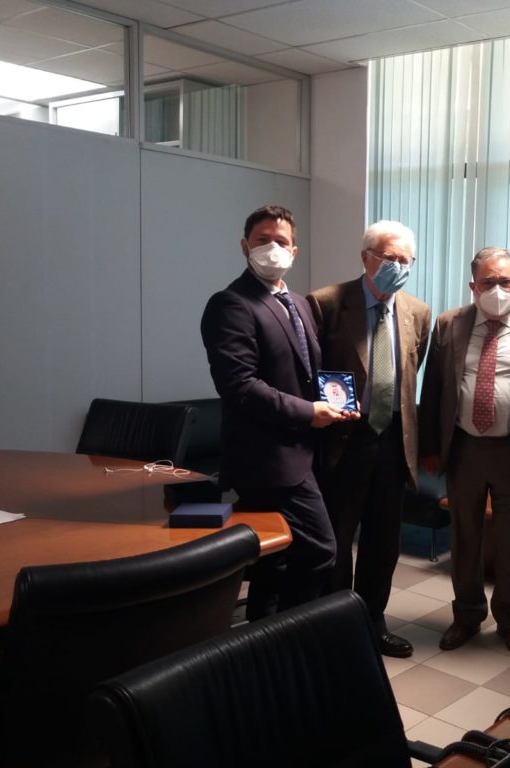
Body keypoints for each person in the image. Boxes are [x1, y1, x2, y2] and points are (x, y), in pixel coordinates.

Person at [201, 205, 356, 619]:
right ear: (244, 246)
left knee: (277, 559)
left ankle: (265, 636)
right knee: (320, 550)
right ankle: (291, 632)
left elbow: (305, 372)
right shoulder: (231, 304)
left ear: (294, 251)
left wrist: (338, 402)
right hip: (266, 459)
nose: (272, 248)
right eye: (262, 240)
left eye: (281, 241)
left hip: (305, 451)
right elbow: (240, 386)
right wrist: (308, 412)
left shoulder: (299, 304)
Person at [420, 247, 510, 657]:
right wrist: (431, 446)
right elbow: (433, 388)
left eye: (505, 281)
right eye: (488, 282)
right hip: (464, 447)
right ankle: (467, 615)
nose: (498, 289)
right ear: (473, 286)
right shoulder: (449, 324)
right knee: (465, 536)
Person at [307, 220, 431, 658]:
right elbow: (311, 371)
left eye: (405, 260)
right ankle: (336, 624)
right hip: (345, 438)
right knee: (338, 538)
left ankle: (372, 621)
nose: (397, 266)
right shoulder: (326, 303)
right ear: (365, 258)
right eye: (388, 257)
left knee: (383, 540)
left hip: (393, 440)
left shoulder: (418, 312)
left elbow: (411, 371)